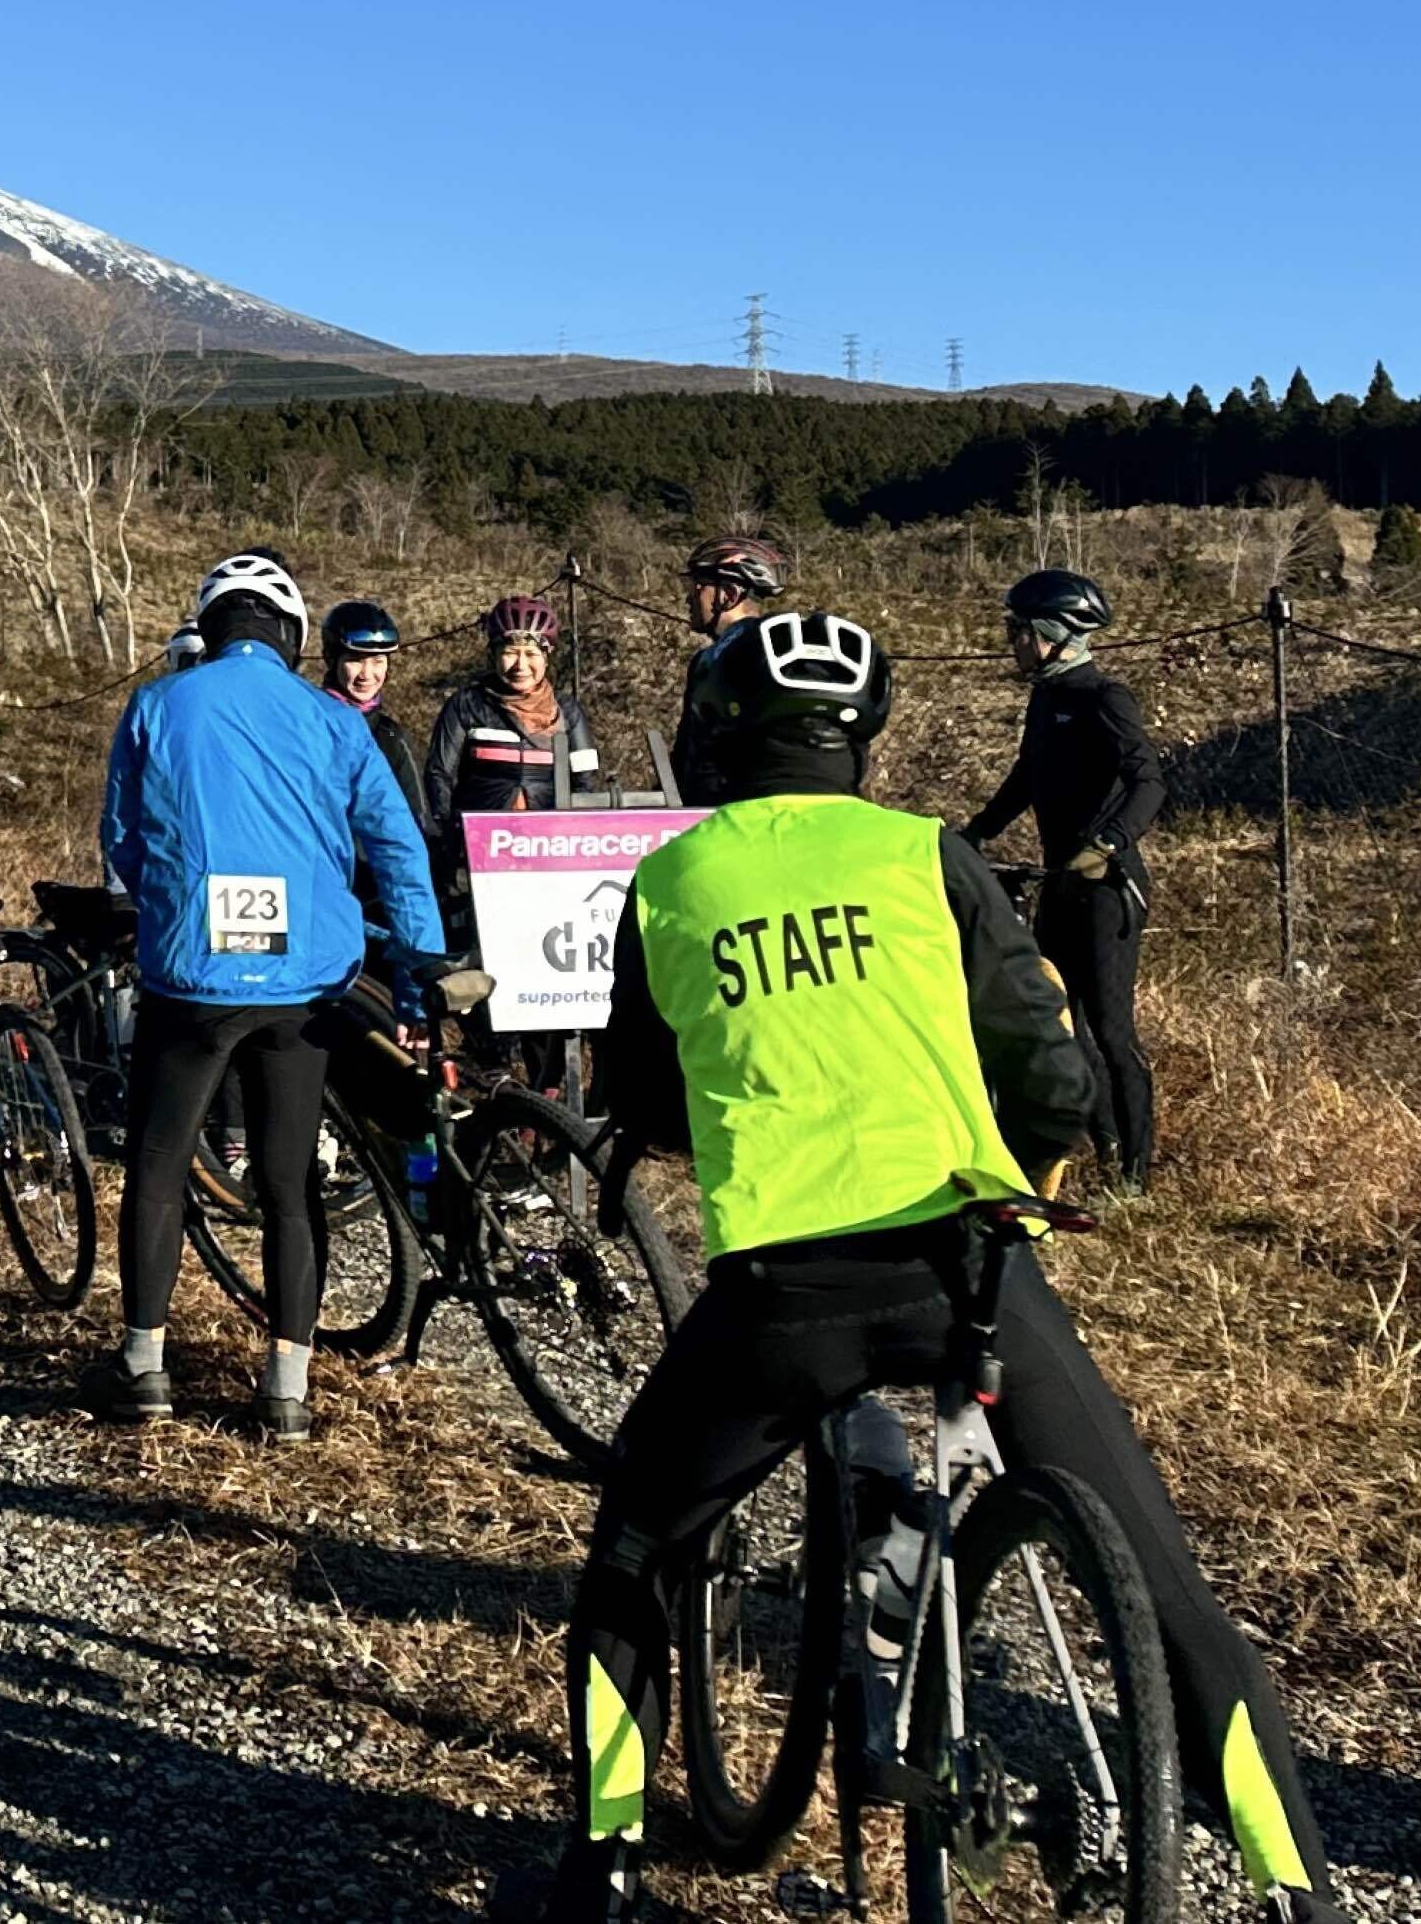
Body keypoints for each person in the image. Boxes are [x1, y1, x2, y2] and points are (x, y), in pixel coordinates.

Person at [517, 611, 1341, 1923]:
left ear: (718, 733)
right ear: (862, 736)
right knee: (1175, 1593)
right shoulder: (931, 855)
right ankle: (1297, 1890)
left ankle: (602, 1862)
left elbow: (650, 1096)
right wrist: (1019, 1182)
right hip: (966, 1264)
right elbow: (1057, 1072)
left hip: (781, 1295)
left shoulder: (672, 883)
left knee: (635, 1546)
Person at [96, 551, 442, 1444]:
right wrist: (418, 970)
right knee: (291, 1186)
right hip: (305, 984)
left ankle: (145, 1368)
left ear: (210, 627)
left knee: (161, 1164)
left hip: (191, 979)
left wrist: (174, 902)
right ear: (289, 634)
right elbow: (397, 851)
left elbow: (124, 841)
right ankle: (286, 1387)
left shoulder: (157, 704)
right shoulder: (333, 719)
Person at [964, 567, 1171, 1186]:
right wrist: (973, 835)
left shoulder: (1102, 698)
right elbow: (1026, 779)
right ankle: (1104, 1149)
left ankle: (1136, 1179)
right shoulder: (1046, 698)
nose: (1011, 640)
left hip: (1108, 887)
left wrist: (1109, 843)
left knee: (1111, 1029)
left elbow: (1149, 781)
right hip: (1061, 881)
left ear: (1053, 634)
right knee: (1063, 1021)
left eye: (1018, 630)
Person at [417, 594, 601, 1081]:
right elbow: (438, 779)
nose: (520, 664)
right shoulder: (467, 706)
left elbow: (587, 784)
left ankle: (547, 1090)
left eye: (533, 652)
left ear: (548, 655)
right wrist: (446, 843)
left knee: (542, 968)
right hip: (479, 867)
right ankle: (493, 1070)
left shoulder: (569, 713)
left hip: (547, 869)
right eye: (510, 651)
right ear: (493, 652)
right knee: (484, 967)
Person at [657, 533, 795, 799]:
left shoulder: (712, 660)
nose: (688, 598)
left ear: (728, 595)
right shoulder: (777, 649)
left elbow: (689, 753)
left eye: (697, 586)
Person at [316, 597, 419, 800]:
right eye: (355, 660)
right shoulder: (309, 727)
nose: (367, 674)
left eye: (378, 661)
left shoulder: (391, 739)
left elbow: (417, 815)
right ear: (330, 659)